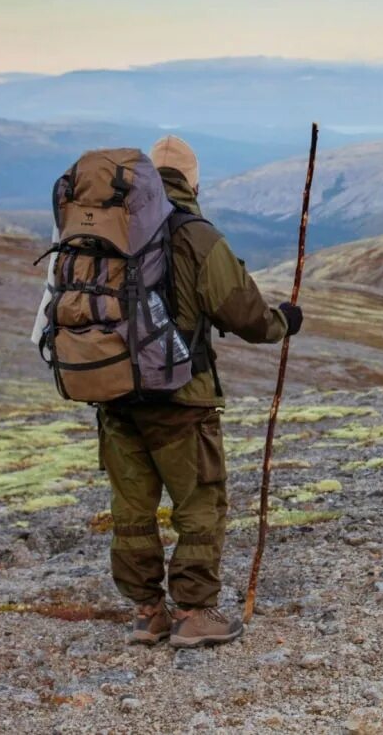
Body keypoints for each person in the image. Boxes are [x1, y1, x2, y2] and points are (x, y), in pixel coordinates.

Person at [99, 135, 303, 648]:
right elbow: (245, 314)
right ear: (193, 182)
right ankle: (192, 613)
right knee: (200, 508)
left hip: (114, 397)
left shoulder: (106, 229)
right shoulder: (195, 235)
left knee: (132, 510)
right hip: (180, 400)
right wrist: (283, 321)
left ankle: (147, 613)